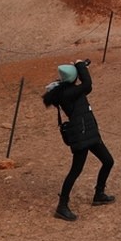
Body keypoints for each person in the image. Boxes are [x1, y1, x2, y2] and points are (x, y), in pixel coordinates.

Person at [42, 59, 115, 222]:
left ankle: (99, 194)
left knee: (108, 161)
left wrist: (78, 67)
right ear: (73, 78)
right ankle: (62, 206)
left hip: (88, 133)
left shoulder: (67, 90)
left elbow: (83, 84)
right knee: (75, 171)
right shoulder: (69, 92)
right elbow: (88, 83)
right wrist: (80, 65)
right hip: (81, 135)